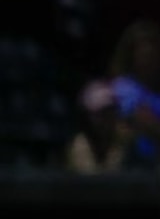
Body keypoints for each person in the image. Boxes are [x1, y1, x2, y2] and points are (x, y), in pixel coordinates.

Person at [109, 20, 160, 169]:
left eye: (154, 46)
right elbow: (145, 121)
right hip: (133, 166)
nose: (149, 52)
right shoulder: (123, 87)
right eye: (142, 47)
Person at [68, 80, 132, 175]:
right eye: (101, 113)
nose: (108, 118)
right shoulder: (79, 145)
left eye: (111, 111)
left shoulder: (126, 144)